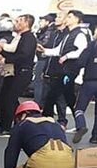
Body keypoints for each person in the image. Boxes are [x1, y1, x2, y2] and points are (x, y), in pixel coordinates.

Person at [1, 101, 96, 168]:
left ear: (23, 114)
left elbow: (11, 153)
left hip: (42, 163)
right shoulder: (55, 123)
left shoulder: (21, 125)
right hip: (66, 164)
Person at [39, 9, 91, 128]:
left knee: (52, 95)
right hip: (63, 70)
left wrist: (67, 56)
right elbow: (59, 50)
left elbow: (82, 51)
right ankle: (80, 124)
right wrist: (45, 51)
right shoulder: (68, 34)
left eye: (69, 17)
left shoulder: (79, 34)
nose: (66, 19)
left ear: (76, 19)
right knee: (69, 98)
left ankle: (46, 121)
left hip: (70, 70)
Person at [0, 14, 37, 137]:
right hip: (12, 71)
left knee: (9, 99)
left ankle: (9, 128)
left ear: (26, 23)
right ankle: (6, 125)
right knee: (3, 98)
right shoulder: (19, 37)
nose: (15, 23)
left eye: (19, 21)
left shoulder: (29, 38)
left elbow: (23, 55)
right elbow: (13, 51)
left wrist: (5, 59)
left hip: (22, 72)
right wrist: (1, 52)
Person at [71, 11, 97, 143]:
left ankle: (81, 125)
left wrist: (71, 73)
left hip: (89, 81)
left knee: (79, 108)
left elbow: (81, 61)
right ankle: (95, 137)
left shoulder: (92, 45)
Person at [40, 12, 69, 125]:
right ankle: (48, 120)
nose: (56, 19)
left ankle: (62, 121)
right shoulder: (54, 33)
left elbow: (59, 52)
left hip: (60, 70)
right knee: (46, 97)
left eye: (60, 17)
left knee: (60, 98)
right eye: (57, 17)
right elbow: (49, 51)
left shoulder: (67, 35)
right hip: (49, 68)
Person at [33, 13, 57, 106]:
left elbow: (44, 44)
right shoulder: (47, 31)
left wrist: (35, 39)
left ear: (48, 22)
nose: (40, 23)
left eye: (42, 21)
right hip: (44, 58)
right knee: (42, 83)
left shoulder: (49, 31)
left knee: (39, 82)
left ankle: (37, 104)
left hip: (43, 59)